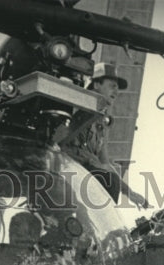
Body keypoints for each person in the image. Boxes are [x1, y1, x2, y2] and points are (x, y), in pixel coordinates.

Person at [60, 62, 148, 207]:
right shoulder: (75, 106)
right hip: (65, 171)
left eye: (117, 87)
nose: (117, 91)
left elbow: (105, 162)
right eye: (112, 85)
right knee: (108, 180)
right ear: (96, 85)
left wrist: (129, 192)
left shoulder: (101, 123)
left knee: (110, 179)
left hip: (83, 177)